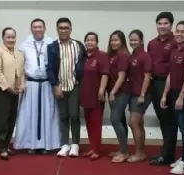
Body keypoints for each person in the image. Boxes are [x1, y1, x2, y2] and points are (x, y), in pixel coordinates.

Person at [14, 18, 60, 154]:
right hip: (31, 84)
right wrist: (21, 83)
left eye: (40, 27)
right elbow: (21, 66)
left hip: (46, 84)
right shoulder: (25, 44)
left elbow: (56, 65)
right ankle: (31, 144)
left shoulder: (51, 43)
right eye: (35, 27)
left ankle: (47, 144)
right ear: (31, 29)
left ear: (45, 28)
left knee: (48, 113)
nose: (38, 29)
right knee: (29, 114)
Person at [47, 17, 86, 157]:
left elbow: (83, 66)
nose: (64, 30)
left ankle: (75, 145)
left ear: (70, 29)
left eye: (66, 28)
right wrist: (55, 85)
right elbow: (49, 68)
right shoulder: (52, 47)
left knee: (74, 116)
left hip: (74, 86)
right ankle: (64, 145)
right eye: (61, 28)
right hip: (60, 86)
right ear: (57, 29)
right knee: (63, 116)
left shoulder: (79, 45)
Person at [161, 20, 184, 174]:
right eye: (178, 31)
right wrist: (164, 94)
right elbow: (170, 74)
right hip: (173, 93)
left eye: (183, 32)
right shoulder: (175, 51)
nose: (179, 34)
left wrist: (181, 97)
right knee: (180, 127)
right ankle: (183, 158)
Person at [147, 12, 179, 166]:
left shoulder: (175, 42)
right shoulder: (152, 43)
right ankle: (167, 152)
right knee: (162, 119)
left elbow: (174, 68)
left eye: (165, 23)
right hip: (154, 84)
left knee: (169, 121)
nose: (162, 26)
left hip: (168, 85)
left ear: (171, 25)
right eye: (159, 23)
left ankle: (167, 155)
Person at [0, 27, 25, 161]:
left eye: (13, 37)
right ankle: (1, 148)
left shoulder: (19, 53)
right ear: (3, 38)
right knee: (2, 119)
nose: (11, 40)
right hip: (1, 90)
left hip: (15, 91)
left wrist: (21, 86)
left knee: (12, 118)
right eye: (8, 37)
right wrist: (7, 87)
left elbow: (21, 72)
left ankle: (6, 144)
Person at [80, 32, 109, 160]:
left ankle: (97, 149)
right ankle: (92, 147)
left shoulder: (101, 56)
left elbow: (105, 74)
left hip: (96, 95)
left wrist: (101, 90)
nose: (90, 42)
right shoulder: (83, 57)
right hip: (84, 94)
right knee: (88, 123)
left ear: (96, 42)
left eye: (92, 40)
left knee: (96, 123)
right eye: (87, 40)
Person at [126, 29, 152, 163]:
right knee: (139, 123)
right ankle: (141, 152)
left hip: (141, 94)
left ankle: (138, 153)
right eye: (131, 40)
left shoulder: (144, 56)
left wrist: (142, 94)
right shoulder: (133, 55)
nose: (133, 42)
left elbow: (148, 76)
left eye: (136, 40)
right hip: (133, 93)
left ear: (141, 41)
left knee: (133, 122)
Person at [106, 30, 130, 163]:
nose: (114, 43)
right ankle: (122, 148)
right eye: (112, 40)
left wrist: (113, 92)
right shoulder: (112, 56)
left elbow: (121, 77)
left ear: (122, 41)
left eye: (116, 40)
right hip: (113, 91)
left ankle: (124, 152)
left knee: (114, 119)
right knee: (121, 120)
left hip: (121, 92)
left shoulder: (122, 56)